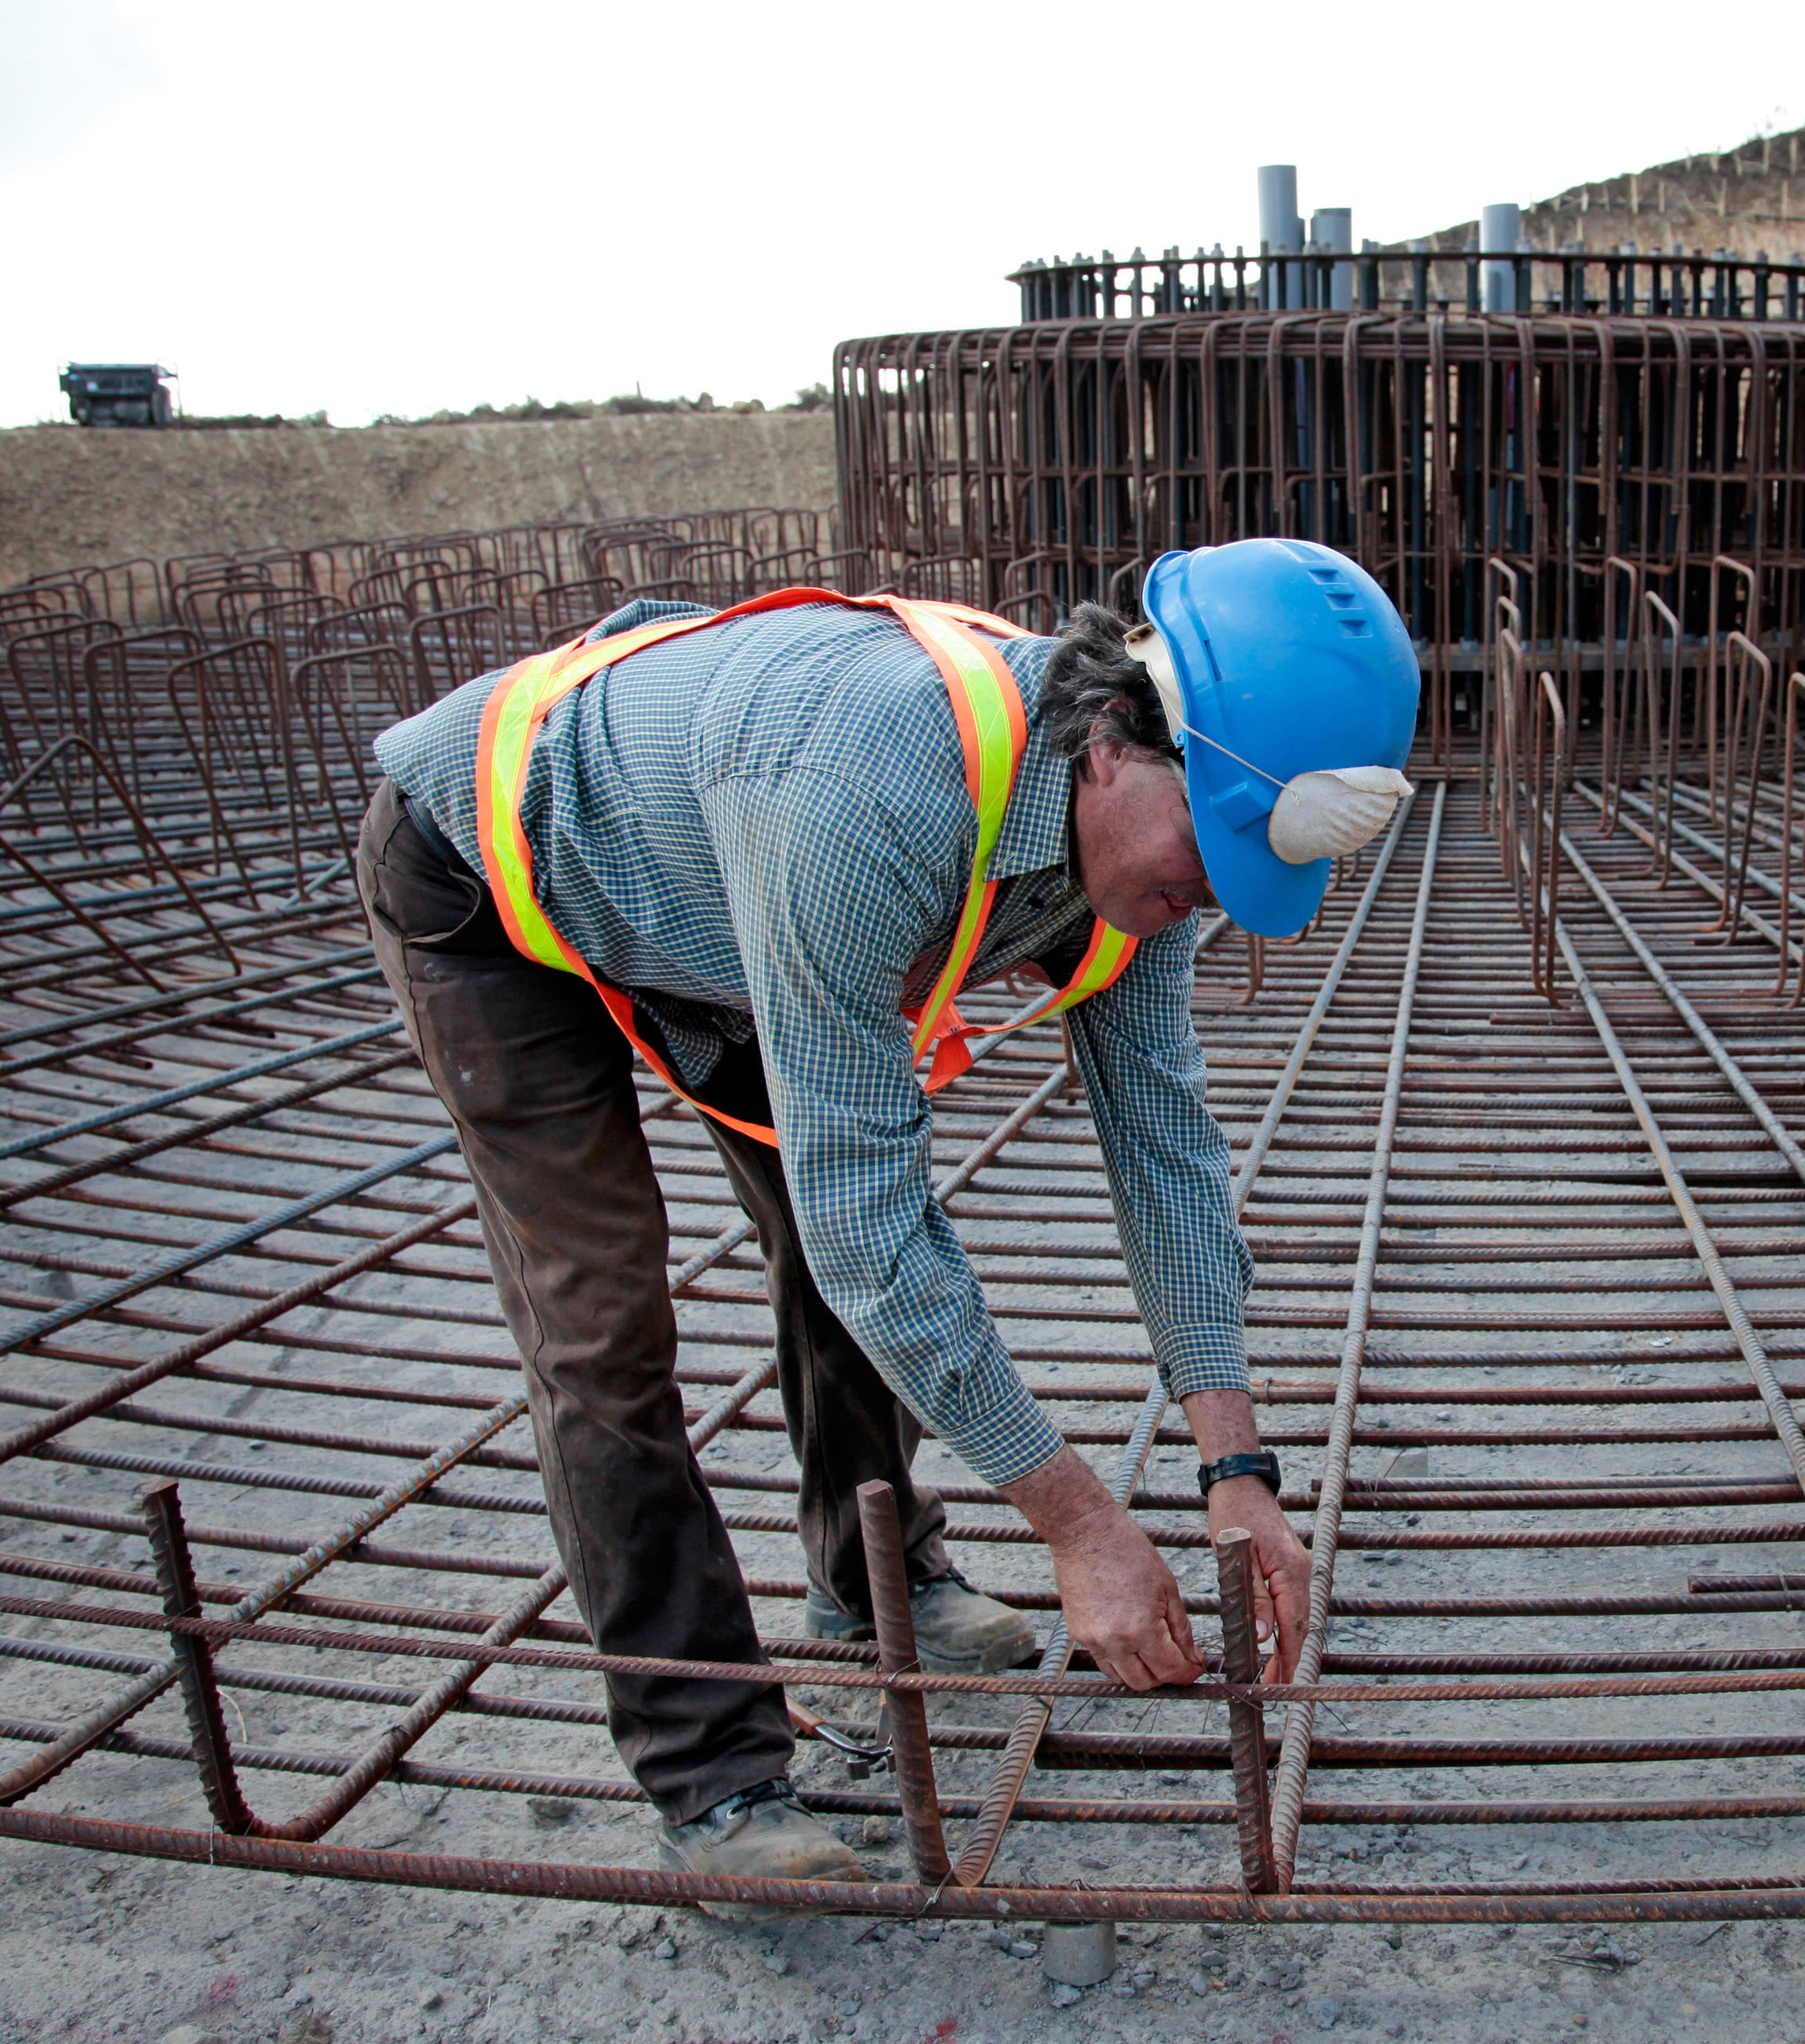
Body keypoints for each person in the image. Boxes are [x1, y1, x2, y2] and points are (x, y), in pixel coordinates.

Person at [354, 538, 1418, 1908]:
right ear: (1112, 742)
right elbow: (877, 1224)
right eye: (1209, 851)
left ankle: (870, 1581)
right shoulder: (868, 791)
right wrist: (1079, 1522)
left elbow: (1166, 1151)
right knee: (603, 1324)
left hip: (723, 912)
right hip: (488, 883)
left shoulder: (1146, 854)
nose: (1213, 893)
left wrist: (1237, 1471)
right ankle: (711, 1773)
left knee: (830, 1237)